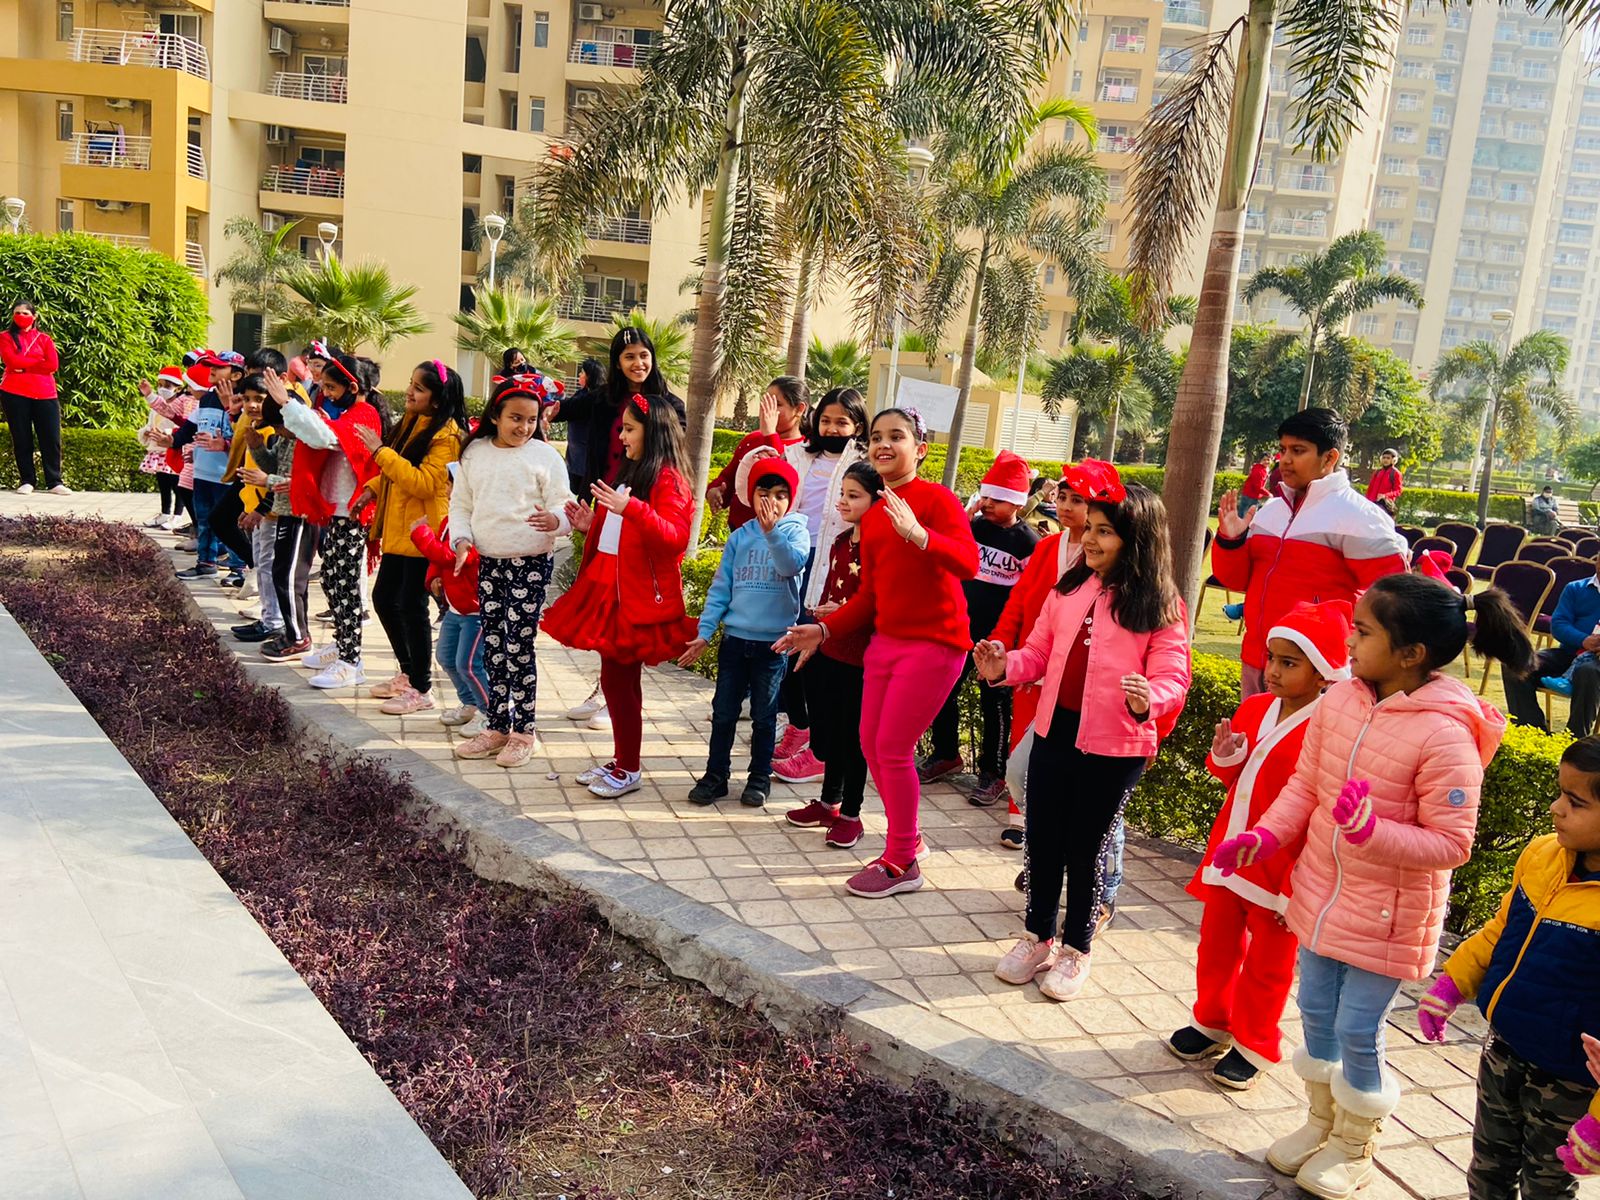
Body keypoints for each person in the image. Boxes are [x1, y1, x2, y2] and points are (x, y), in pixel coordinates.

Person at [1210, 573, 1533, 1198]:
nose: (1349, 642)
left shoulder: (1446, 733)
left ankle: (1355, 1145)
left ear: (1411, 653)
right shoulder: (1341, 701)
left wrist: (1371, 832)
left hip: (1389, 915)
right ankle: (1321, 1123)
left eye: (1362, 632)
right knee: (1316, 1015)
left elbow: (1452, 844)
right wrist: (1266, 836)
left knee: (1359, 1029)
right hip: (1320, 895)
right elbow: (1306, 786)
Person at [976, 482, 1191, 1002]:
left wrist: (1149, 698)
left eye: (1104, 531)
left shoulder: (1160, 604)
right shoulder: (1069, 588)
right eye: (1089, 528)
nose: (1089, 539)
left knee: (1085, 848)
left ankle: (1077, 949)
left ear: (1136, 538)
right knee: (1043, 839)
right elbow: (1038, 653)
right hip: (1055, 732)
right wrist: (1004, 666)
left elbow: (1173, 676)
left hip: (1117, 746)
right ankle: (1037, 937)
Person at [775, 407, 978, 898]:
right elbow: (869, 594)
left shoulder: (935, 499)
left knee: (892, 748)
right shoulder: (875, 512)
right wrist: (823, 630)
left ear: (920, 449)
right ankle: (909, 838)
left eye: (897, 436)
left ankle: (902, 859)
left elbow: (969, 563)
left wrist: (919, 534)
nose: (884, 444)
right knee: (871, 744)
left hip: (935, 643)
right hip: (886, 642)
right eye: (877, 437)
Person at [1168, 601, 1352, 1092]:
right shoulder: (1254, 708)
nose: (1272, 670)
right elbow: (1236, 781)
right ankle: (1212, 1020)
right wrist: (1225, 758)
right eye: (1272, 658)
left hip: (1282, 869)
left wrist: (1300, 884)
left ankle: (1254, 1043)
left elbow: (1320, 810)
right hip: (1232, 854)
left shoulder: (1328, 728)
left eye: (1289, 663)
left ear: (1323, 672)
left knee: (1269, 965)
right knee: (1216, 945)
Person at [1415, 736, 1600, 1200]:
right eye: (1560, 793)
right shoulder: (1541, 856)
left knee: (1546, 1188)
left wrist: (1598, 1125)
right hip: (1503, 1051)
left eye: (1575, 802)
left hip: (1570, 1083)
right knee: (1487, 1170)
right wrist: (1453, 984)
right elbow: (1500, 930)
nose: (1556, 808)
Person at [542, 392, 696, 797]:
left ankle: (629, 767)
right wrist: (591, 523)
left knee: (619, 683)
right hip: (612, 587)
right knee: (615, 681)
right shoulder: (637, 472)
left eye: (629, 429)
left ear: (653, 431)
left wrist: (631, 509)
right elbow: (622, 532)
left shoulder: (668, 478)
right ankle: (624, 759)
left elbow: (675, 538)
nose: (622, 437)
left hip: (631, 595)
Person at [546, 326, 687, 731]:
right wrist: (546, 409)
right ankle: (605, 691)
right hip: (610, 502)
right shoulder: (604, 398)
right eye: (629, 357)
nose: (638, 363)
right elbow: (568, 408)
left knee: (624, 630)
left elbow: (671, 523)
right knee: (605, 620)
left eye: (643, 355)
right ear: (617, 362)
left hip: (636, 507)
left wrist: (634, 507)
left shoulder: (667, 406)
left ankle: (614, 699)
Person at [1213, 408, 1410, 698]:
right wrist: (1232, 540)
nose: (1285, 459)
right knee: (1253, 729)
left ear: (1329, 458)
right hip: (1258, 660)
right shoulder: (1270, 511)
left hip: (1318, 671)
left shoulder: (1359, 516)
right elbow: (1236, 581)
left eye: (1298, 450)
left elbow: (1396, 598)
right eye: (1283, 449)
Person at [447, 372, 574, 768]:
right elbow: (461, 504)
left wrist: (556, 521)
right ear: (495, 416)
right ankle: (498, 725)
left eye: (531, 419)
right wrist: (461, 540)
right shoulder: (475, 453)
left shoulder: (545, 456)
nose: (524, 427)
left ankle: (524, 732)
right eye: (515, 418)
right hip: (489, 562)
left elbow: (564, 503)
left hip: (530, 562)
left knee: (518, 646)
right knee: (493, 645)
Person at [680, 451, 810, 808]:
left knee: (764, 717)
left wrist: (772, 534)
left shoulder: (796, 532)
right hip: (736, 641)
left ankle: (758, 778)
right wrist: (705, 632)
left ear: (791, 499)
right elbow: (721, 588)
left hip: (773, 645)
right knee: (723, 712)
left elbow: (790, 566)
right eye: (764, 494)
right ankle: (715, 776)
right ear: (750, 496)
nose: (772, 502)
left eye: (781, 495)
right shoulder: (739, 537)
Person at [993, 459, 1097, 855]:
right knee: (1022, 736)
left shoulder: (1103, 555)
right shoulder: (1047, 546)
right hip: (1033, 659)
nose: (1067, 506)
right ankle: (1019, 817)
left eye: (1078, 500)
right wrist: (1003, 642)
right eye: (1063, 497)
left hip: (1073, 670)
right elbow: (1018, 599)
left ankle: (1053, 823)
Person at [924, 451, 1040, 807]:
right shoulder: (973, 528)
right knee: (942, 689)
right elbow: (943, 547)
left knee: (995, 704)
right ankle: (946, 753)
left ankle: (994, 773)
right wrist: (966, 516)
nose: (988, 503)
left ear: (1017, 502)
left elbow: (1031, 595)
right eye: (985, 496)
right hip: (959, 628)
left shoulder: (1028, 542)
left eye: (997, 499)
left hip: (999, 639)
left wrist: (1014, 642)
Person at [353, 360, 467, 716]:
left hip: (423, 531)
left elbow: (425, 482)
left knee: (411, 607)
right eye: (411, 383)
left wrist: (379, 451)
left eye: (419, 388)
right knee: (384, 599)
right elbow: (399, 469)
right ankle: (408, 673)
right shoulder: (413, 422)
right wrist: (372, 489)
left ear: (437, 399)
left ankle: (421, 687)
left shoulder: (447, 437)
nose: (409, 392)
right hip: (400, 530)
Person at [769, 386, 869, 784]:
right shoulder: (799, 455)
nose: (831, 428)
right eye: (826, 420)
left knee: (814, 651)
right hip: (794, 558)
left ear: (857, 425)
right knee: (786, 643)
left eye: (842, 422)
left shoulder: (863, 462)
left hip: (835, 564)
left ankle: (817, 744)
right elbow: (765, 486)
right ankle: (799, 726)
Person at [784, 462, 883, 848]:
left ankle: (852, 815)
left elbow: (876, 602)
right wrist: (818, 635)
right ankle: (829, 803)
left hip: (862, 657)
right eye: (842, 493)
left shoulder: (879, 546)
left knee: (853, 739)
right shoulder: (841, 541)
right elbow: (829, 591)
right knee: (830, 731)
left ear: (876, 501)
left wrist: (840, 613)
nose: (843, 501)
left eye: (854, 495)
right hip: (832, 647)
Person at [278, 351, 384, 688]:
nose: (326, 393)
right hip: (337, 512)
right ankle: (341, 645)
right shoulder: (347, 413)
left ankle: (351, 661)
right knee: (331, 581)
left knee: (346, 586)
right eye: (323, 387)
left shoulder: (364, 414)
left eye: (331, 388)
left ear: (353, 387)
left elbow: (324, 436)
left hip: (353, 514)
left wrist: (288, 404)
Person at [410, 467, 489, 739]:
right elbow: (440, 558)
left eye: (451, 485)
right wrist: (433, 577)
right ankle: (470, 703)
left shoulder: (479, 523)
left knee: (469, 664)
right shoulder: (448, 522)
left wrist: (420, 535)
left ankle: (491, 713)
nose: (446, 490)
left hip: (475, 610)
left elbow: (454, 555)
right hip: (456, 608)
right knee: (446, 657)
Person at [1503, 554, 1600, 737]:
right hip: (1570, 653)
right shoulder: (1576, 588)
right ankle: (1533, 732)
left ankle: (1575, 739)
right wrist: (1583, 640)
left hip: (1596, 662)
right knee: (1516, 663)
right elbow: (1558, 625)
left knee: (1587, 671)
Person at [706, 376, 809, 532]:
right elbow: (730, 476)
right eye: (765, 403)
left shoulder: (804, 448)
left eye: (777, 404)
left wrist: (770, 435)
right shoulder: (753, 439)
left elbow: (779, 476)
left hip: (775, 535)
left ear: (799, 409)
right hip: (740, 531)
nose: (767, 410)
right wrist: (716, 490)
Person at [0, 300, 66, 495]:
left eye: (25, 313)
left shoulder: (44, 339)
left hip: (45, 393)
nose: (21, 316)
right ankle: (27, 480)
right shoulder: (5, 337)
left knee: (51, 438)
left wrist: (24, 366)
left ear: (34, 316)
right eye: (17, 313)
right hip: (14, 392)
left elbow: (52, 365)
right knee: (22, 437)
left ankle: (54, 481)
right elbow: (11, 361)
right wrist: (38, 361)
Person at [136, 366, 188, 529]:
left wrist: (167, 434)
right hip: (158, 450)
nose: (162, 389)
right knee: (163, 483)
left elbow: (183, 426)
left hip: (173, 450)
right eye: (160, 385)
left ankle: (177, 515)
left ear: (177, 388)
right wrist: (147, 432)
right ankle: (164, 513)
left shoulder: (181, 403)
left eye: (167, 386)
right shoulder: (156, 405)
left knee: (178, 484)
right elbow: (151, 423)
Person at [562, 356, 605, 495]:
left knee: (583, 493)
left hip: (585, 455)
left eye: (582, 372)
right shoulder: (581, 394)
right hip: (574, 452)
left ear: (589, 376)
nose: (579, 375)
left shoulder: (596, 398)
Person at [1366, 448, 1404, 516]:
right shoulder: (1377, 472)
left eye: (1388, 458)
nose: (1385, 460)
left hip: (1385, 505)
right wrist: (1366, 500)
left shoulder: (1396, 473)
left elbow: (1398, 491)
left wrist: (1385, 496)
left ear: (1393, 460)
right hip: (1372, 503)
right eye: (1384, 458)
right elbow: (1370, 488)